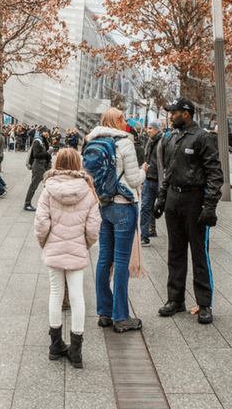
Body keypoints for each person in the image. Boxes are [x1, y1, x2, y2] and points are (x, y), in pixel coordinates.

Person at [153, 97, 223, 325]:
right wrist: (162, 199)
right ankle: (175, 300)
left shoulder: (203, 137)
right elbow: (169, 173)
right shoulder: (171, 138)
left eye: (173, 112)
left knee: (199, 254)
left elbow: (215, 174)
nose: (170, 116)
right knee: (175, 252)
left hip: (195, 200)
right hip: (174, 198)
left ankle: (204, 304)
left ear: (186, 113)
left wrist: (209, 207)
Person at [35, 147, 101, 369]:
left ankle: (55, 345)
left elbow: (41, 224)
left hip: (54, 247)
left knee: (55, 292)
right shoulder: (89, 191)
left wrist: (45, 244)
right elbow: (93, 228)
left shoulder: (47, 189)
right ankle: (76, 351)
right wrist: (85, 245)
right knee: (77, 295)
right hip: (77, 249)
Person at [85, 107, 146, 332]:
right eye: (123, 119)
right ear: (119, 121)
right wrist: (144, 172)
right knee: (121, 261)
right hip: (123, 206)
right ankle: (121, 316)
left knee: (103, 259)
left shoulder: (93, 141)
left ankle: (104, 312)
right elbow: (133, 179)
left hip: (103, 205)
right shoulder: (125, 143)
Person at [140, 120, 164, 245]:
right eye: (148, 128)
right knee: (144, 207)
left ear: (157, 129)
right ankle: (144, 236)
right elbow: (146, 159)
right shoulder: (149, 142)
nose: (148, 130)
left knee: (165, 208)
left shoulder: (163, 141)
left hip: (161, 180)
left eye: (150, 128)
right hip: (149, 179)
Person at [24, 127, 52, 211]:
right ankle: (27, 203)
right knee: (34, 185)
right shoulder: (38, 141)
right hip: (38, 165)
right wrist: (47, 153)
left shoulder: (45, 141)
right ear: (40, 133)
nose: (46, 134)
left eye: (47, 132)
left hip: (44, 165)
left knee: (48, 184)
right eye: (44, 132)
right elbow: (36, 154)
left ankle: (50, 204)